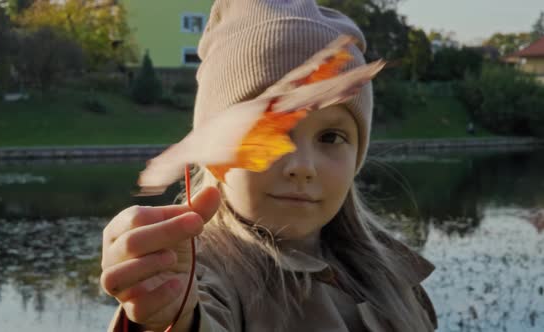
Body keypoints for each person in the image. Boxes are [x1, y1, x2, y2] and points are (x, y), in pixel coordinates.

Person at [100, 1, 438, 331]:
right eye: (267, 132)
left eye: (331, 137)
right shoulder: (201, 270)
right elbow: (197, 315)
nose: (303, 166)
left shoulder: (393, 277)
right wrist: (167, 314)